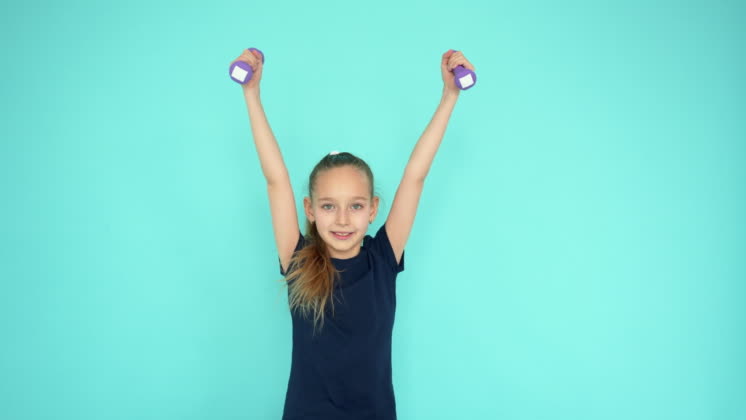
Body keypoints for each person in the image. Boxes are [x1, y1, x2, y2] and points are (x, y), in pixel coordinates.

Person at [230, 48, 476, 420]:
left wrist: (449, 96)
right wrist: (251, 94)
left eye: (356, 206)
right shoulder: (298, 263)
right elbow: (275, 180)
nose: (342, 219)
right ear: (310, 210)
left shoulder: (382, 259)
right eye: (328, 206)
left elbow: (415, 176)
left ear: (373, 209)